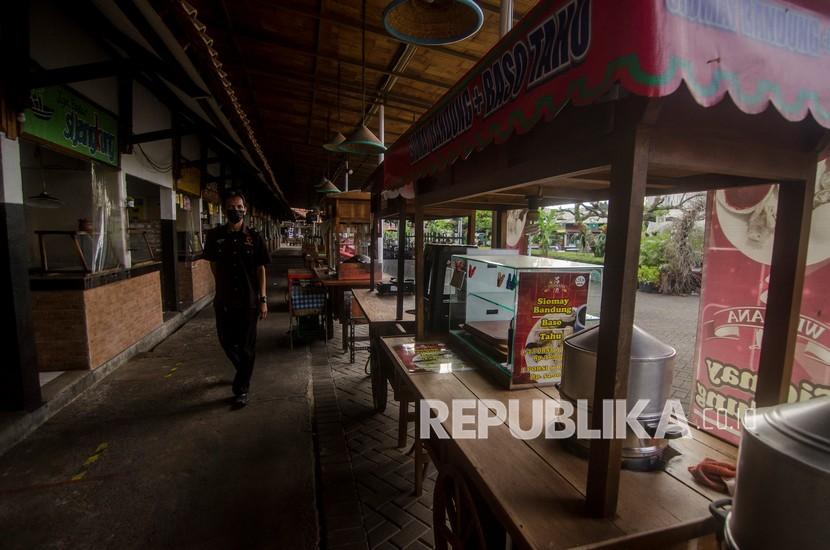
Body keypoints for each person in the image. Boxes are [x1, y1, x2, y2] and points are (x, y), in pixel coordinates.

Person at [203, 190, 270, 407]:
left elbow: (260, 269)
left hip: (249, 300)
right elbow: (213, 265)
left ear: (245, 209)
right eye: (231, 207)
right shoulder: (214, 237)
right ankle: (243, 371)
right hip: (223, 300)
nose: (236, 210)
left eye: (239, 207)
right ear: (224, 210)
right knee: (226, 341)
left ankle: (241, 388)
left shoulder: (254, 238)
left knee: (247, 346)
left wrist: (263, 299)